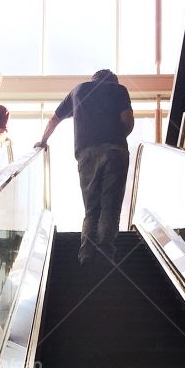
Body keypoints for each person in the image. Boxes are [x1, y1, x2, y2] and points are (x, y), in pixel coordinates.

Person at [36, 68, 134, 267]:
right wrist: (115, 138)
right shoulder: (119, 90)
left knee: (91, 208)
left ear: (93, 79)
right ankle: (105, 252)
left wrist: (42, 141)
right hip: (115, 151)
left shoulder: (78, 90)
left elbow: (55, 119)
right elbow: (127, 120)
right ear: (113, 80)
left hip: (86, 153)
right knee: (110, 205)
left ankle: (86, 254)